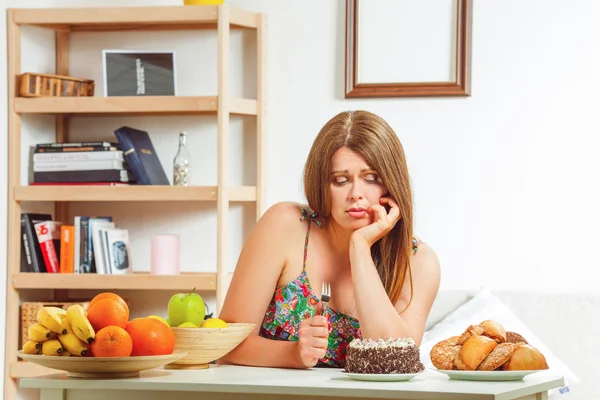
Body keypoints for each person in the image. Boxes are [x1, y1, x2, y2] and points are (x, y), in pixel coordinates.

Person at [219, 110, 441, 369]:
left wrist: (359, 247)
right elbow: (227, 345)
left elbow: (395, 362)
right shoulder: (285, 225)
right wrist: (293, 354)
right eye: (340, 180)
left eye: (371, 178)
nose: (356, 194)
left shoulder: (418, 262)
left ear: (391, 184)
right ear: (322, 185)